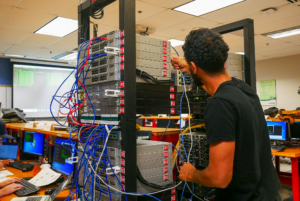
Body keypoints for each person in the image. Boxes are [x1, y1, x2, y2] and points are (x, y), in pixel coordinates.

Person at [172, 28, 281, 201]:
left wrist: (191, 174)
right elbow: (212, 87)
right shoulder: (244, 89)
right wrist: (190, 69)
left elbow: (219, 178)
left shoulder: (219, 105)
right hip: (268, 194)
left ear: (195, 66)